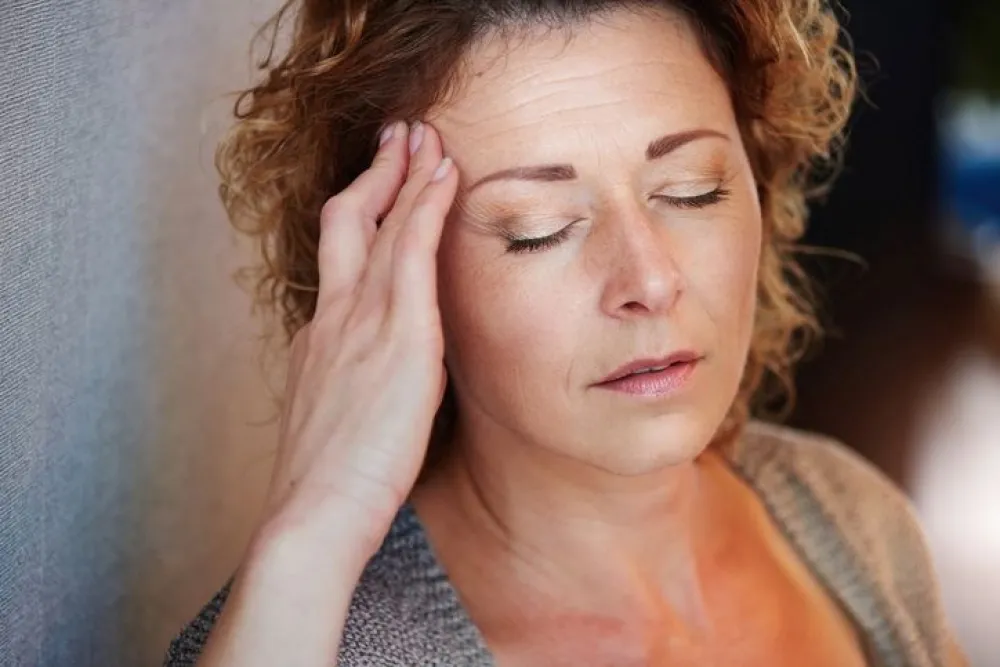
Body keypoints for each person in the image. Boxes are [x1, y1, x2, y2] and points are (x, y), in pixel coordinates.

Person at [164, 0, 967, 664]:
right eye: (538, 229)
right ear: (394, 279)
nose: (649, 280)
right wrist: (311, 534)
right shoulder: (316, 636)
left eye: (692, 191)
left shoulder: (851, 516)